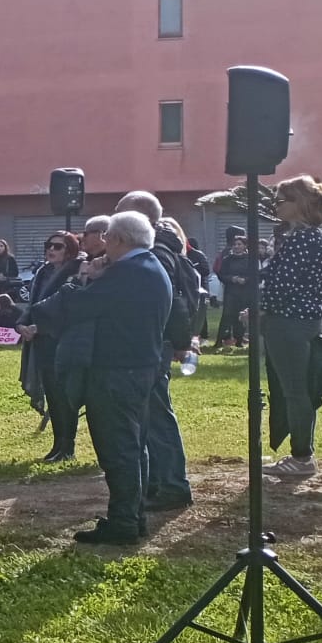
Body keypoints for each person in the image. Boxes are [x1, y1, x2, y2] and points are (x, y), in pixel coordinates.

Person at [21, 212, 169, 545]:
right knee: (132, 447)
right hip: (140, 367)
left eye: (107, 240)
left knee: (118, 448)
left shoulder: (128, 273)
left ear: (117, 239)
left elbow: (77, 305)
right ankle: (132, 516)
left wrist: (84, 278)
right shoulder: (148, 266)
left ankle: (124, 523)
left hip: (117, 371)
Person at [111, 191, 193, 511]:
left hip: (152, 343)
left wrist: (179, 341)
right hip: (156, 342)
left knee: (156, 415)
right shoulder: (165, 247)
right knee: (151, 415)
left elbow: (172, 303)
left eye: (121, 213)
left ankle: (173, 485)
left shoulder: (155, 252)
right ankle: (160, 482)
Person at [260, 175, 322, 479]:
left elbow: (283, 285)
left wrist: (261, 308)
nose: (276, 205)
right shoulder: (312, 236)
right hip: (302, 318)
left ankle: (302, 457)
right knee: (299, 389)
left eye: (281, 200)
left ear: (300, 204)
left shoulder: (304, 238)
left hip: (289, 322)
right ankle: (302, 454)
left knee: (294, 391)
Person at [26, 232, 85, 461]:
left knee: (64, 396)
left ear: (69, 250)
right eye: (48, 245)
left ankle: (67, 447)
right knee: (52, 394)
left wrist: (39, 326)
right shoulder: (42, 273)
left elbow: (67, 309)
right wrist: (24, 323)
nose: (51, 249)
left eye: (57, 246)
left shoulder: (74, 272)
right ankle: (57, 444)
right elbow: (34, 304)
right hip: (42, 341)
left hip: (61, 340)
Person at [215, 235, 258, 349]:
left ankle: (239, 340)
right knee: (227, 316)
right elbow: (221, 274)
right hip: (231, 291)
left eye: (239, 244)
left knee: (241, 316)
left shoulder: (250, 259)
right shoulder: (227, 260)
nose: (236, 246)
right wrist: (232, 278)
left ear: (245, 246)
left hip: (244, 291)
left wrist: (245, 280)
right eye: (235, 244)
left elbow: (254, 274)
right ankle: (220, 340)